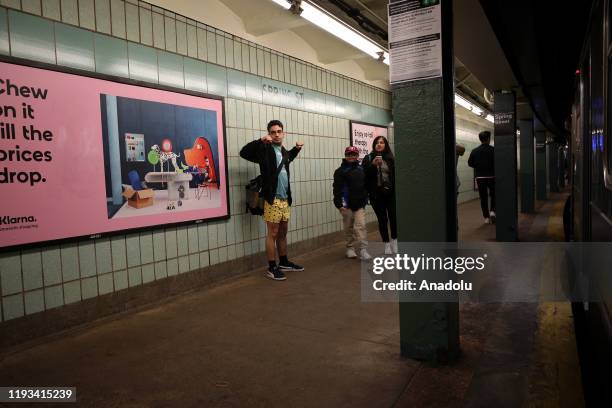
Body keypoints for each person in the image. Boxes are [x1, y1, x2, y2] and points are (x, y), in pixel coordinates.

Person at [240, 120, 304, 281]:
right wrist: (260, 141)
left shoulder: (283, 151)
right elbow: (244, 152)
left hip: (285, 199)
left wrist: (296, 149)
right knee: (273, 233)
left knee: (283, 232)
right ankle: (271, 267)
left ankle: (284, 262)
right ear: (269, 134)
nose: (276, 134)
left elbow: (288, 160)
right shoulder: (264, 149)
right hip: (272, 198)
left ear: (283, 133)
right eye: (273, 132)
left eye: (279, 131)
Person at [333, 146, 371, 260]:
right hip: (346, 205)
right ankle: (350, 248)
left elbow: (366, 186)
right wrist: (339, 204)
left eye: (354, 154)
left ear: (357, 156)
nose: (351, 156)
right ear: (345, 155)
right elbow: (336, 189)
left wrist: (365, 199)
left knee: (361, 226)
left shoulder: (362, 170)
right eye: (349, 154)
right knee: (348, 227)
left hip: (359, 204)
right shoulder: (339, 171)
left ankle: (363, 250)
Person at [361, 136, 397, 255]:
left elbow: (396, 176)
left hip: (391, 193)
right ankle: (386, 244)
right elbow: (364, 176)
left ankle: (394, 241)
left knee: (393, 218)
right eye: (377, 142)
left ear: (385, 145)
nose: (379, 144)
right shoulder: (368, 158)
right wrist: (372, 165)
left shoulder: (391, 159)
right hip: (376, 195)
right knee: (382, 219)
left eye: (381, 142)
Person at [468, 130, 496, 224]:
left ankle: (486, 218)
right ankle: (492, 211)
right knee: (494, 194)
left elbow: (470, 163)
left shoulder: (475, 151)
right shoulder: (493, 150)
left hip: (480, 177)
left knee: (483, 197)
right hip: (492, 176)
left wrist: (478, 167)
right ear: (488, 139)